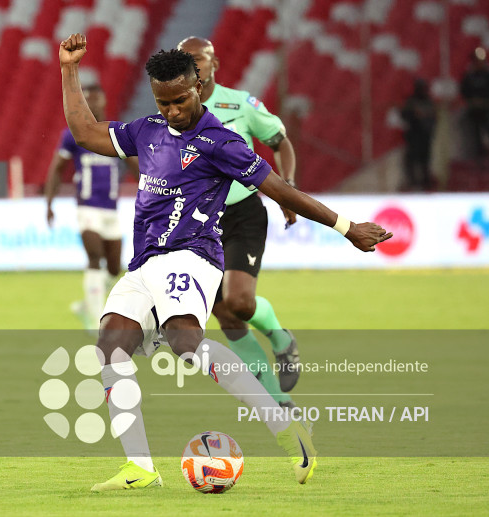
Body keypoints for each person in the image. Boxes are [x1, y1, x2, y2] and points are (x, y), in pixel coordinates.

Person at [58, 33, 392, 492]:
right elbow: (85, 133)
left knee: (183, 340)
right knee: (111, 344)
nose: (172, 111)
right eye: (163, 103)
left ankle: (285, 428)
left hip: (194, 255)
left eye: (179, 100)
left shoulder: (220, 141)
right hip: (145, 262)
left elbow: (279, 189)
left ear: (198, 85)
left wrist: (346, 226)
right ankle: (140, 467)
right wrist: (68, 69)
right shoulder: (148, 130)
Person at [177, 36, 299, 407]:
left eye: (200, 60)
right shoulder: (174, 111)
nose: (194, 67)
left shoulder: (240, 104)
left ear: (215, 64)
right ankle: (280, 404)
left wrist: (288, 188)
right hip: (197, 221)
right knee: (226, 316)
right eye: (187, 61)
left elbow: (281, 141)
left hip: (242, 213)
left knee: (241, 302)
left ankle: (280, 337)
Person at [44, 79, 136, 329]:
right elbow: (56, 169)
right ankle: (96, 324)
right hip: (87, 208)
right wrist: (49, 203)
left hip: (111, 209)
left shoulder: (117, 133)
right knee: (95, 258)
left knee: (115, 268)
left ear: (104, 100)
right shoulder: (74, 134)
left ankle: (87, 305)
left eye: (96, 97)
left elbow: (134, 166)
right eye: (87, 99)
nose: (92, 102)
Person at [459, 49, 489, 158]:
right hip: (474, 109)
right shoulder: (469, 75)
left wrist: (484, 98)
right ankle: (479, 156)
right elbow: (464, 90)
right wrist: (472, 100)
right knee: (475, 135)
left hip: (486, 107)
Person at [400, 78, 437, 191]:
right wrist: (414, 114)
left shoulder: (429, 102)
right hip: (413, 136)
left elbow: (433, 119)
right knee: (411, 160)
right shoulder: (411, 101)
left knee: (425, 160)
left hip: (425, 136)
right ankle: (412, 181)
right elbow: (404, 115)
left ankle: (426, 181)